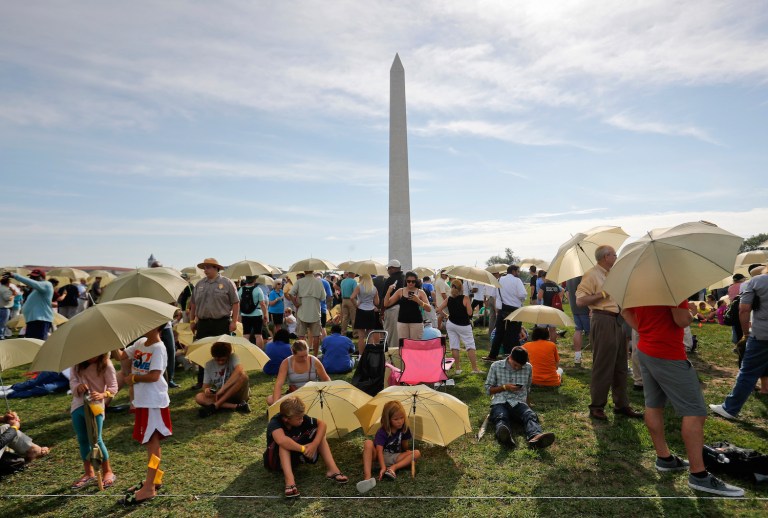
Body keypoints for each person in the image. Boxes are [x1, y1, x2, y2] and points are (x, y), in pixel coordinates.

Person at [622, 301, 744, 497]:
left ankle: (665, 458)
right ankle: (698, 475)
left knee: (653, 405)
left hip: (646, 348)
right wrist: (691, 312)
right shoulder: (671, 286)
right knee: (695, 412)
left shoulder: (637, 287)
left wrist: (647, 329)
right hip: (668, 353)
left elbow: (625, 311)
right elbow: (681, 320)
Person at [576, 246, 643, 421]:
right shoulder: (591, 274)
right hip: (603, 319)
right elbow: (581, 300)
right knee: (604, 364)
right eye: (614, 254)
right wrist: (603, 293)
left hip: (618, 319)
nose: (616, 256)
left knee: (621, 364)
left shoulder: (613, 273)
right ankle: (597, 406)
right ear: (606, 257)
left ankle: (622, 404)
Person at [120, 325, 173, 506]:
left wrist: (133, 379)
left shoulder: (158, 347)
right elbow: (122, 356)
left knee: (152, 441)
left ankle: (149, 486)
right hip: (144, 401)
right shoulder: (141, 342)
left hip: (153, 402)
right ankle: (154, 479)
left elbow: (155, 376)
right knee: (150, 441)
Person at [710, 266, 768, 418]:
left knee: (748, 372)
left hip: (762, 334)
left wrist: (746, 333)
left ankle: (730, 408)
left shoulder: (757, 282)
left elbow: (743, 309)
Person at [263, 396, 348, 498]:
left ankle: (333, 470)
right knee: (285, 444)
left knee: (319, 433)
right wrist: (304, 449)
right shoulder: (275, 422)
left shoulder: (299, 418)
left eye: (302, 417)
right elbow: (282, 440)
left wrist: (314, 444)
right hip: (275, 461)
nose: (302, 420)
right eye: (299, 418)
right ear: (286, 419)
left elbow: (323, 425)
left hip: (295, 457)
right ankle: (290, 482)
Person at [484, 346, 555, 449]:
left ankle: (536, 437)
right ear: (510, 358)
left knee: (529, 415)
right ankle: (504, 436)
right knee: (501, 416)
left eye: (520, 366)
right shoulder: (496, 366)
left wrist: (528, 405)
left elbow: (527, 388)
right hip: (500, 401)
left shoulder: (528, 367)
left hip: (518, 402)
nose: (517, 368)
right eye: (515, 365)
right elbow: (488, 390)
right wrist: (505, 387)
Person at [189, 258, 240, 390]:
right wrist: (192, 320)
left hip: (221, 322)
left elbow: (235, 303)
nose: (205, 270)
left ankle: (226, 379)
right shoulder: (199, 284)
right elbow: (193, 304)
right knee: (202, 351)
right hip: (203, 323)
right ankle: (202, 381)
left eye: (208, 267)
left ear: (216, 268)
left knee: (223, 351)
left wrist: (234, 321)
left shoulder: (227, 283)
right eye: (204, 267)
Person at [69, 354, 118, 489]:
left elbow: (113, 386)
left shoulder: (106, 364)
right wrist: (78, 386)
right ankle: (89, 472)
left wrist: (103, 394)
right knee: (83, 439)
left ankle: (108, 471)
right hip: (77, 407)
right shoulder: (77, 364)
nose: (92, 356)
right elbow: (72, 381)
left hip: (95, 407)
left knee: (96, 439)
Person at [357, 400, 420, 493]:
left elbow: (404, 444)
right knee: (368, 443)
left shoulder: (404, 428)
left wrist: (407, 451)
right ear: (388, 419)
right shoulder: (382, 431)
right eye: (396, 419)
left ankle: (393, 468)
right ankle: (367, 478)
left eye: (402, 418)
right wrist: (382, 467)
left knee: (417, 453)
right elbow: (379, 451)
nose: (400, 421)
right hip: (378, 458)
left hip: (394, 457)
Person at [435, 279, 480, 374]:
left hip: (451, 324)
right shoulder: (466, 298)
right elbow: (470, 313)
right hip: (464, 325)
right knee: (470, 346)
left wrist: (446, 316)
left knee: (454, 346)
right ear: (461, 288)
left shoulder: (449, 298)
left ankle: (458, 369)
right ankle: (474, 368)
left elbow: (439, 309)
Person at [195, 341, 250, 417]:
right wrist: (206, 390)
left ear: (228, 355)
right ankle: (237, 406)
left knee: (243, 376)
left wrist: (223, 389)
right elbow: (205, 386)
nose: (220, 362)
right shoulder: (209, 365)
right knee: (199, 397)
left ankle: (215, 406)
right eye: (217, 360)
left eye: (223, 360)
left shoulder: (233, 357)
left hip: (238, 394)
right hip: (220, 395)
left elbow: (239, 370)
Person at [267, 340, 330, 405]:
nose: (305, 358)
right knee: (270, 399)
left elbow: (326, 379)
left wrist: (328, 392)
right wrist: (275, 404)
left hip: (312, 394)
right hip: (294, 395)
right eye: (301, 357)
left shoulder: (314, 361)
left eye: (306, 355)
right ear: (293, 353)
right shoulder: (286, 363)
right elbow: (278, 384)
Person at [485, 265, 527, 361]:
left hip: (502, 309)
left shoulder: (499, 280)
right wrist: (520, 299)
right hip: (515, 310)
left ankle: (492, 355)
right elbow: (522, 295)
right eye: (518, 271)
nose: (519, 273)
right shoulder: (517, 281)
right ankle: (514, 356)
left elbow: (494, 295)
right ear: (513, 271)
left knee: (499, 333)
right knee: (513, 334)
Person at [4, 269, 54, 339]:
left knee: (38, 344)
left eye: (34, 277)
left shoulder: (47, 284)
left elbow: (34, 283)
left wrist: (14, 275)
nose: (32, 279)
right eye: (31, 277)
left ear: (42, 277)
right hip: (33, 320)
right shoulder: (36, 290)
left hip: (40, 320)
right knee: (32, 344)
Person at [383, 271, 431, 341]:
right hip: (402, 322)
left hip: (416, 322)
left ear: (416, 281)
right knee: (404, 345)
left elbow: (429, 309)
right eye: (408, 281)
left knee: (415, 345)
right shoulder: (400, 291)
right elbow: (386, 304)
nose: (411, 283)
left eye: (413, 281)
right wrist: (388, 292)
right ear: (406, 281)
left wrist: (418, 301)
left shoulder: (420, 292)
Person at [287, 270, 325, 356]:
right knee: (316, 336)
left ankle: (302, 355)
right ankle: (315, 356)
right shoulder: (318, 282)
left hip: (302, 312)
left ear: (305, 271)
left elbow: (290, 293)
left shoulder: (299, 281)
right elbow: (323, 297)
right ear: (313, 271)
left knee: (301, 336)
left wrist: (296, 304)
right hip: (315, 312)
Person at [350, 274, 380, 354]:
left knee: (361, 336)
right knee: (370, 335)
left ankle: (360, 355)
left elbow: (352, 297)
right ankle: (369, 354)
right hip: (371, 311)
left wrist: (356, 305)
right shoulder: (374, 288)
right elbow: (377, 302)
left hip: (361, 310)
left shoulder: (359, 287)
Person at [239, 276, 268, 348]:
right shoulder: (258, 289)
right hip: (257, 314)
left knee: (246, 335)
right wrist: (265, 315)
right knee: (258, 335)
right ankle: (260, 352)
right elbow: (262, 304)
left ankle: (246, 351)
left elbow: (238, 302)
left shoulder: (241, 289)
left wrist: (239, 315)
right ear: (254, 280)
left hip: (245, 314)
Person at [381, 260, 405, 347]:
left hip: (393, 309)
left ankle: (394, 357)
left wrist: (382, 311)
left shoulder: (390, 279)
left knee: (393, 336)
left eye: (388, 268)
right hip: (405, 309)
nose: (388, 270)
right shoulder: (406, 278)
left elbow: (385, 298)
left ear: (393, 268)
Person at [565, 276, 589, 365]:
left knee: (578, 330)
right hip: (585, 307)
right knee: (591, 333)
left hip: (574, 307)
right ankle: (596, 356)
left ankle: (577, 357)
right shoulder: (584, 274)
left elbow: (567, 292)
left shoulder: (570, 275)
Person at [537, 271, 563, 342]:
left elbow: (539, 297)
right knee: (552, 330)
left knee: (541, 329)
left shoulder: (543, 285)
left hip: (545, 309)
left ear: (545, 277)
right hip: (554, 309)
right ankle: (552, 346)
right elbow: (560, 295)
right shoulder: (556, 286)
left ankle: (541, 345)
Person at [339, 271, 358, 337]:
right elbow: (355, 292)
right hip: (351, 300)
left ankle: (343, 333)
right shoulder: (353, 281)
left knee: (345, 318)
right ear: (352, 274)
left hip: (344, 300)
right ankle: (355, 334)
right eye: (355, 274)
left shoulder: (343, 281)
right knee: (354, 318)